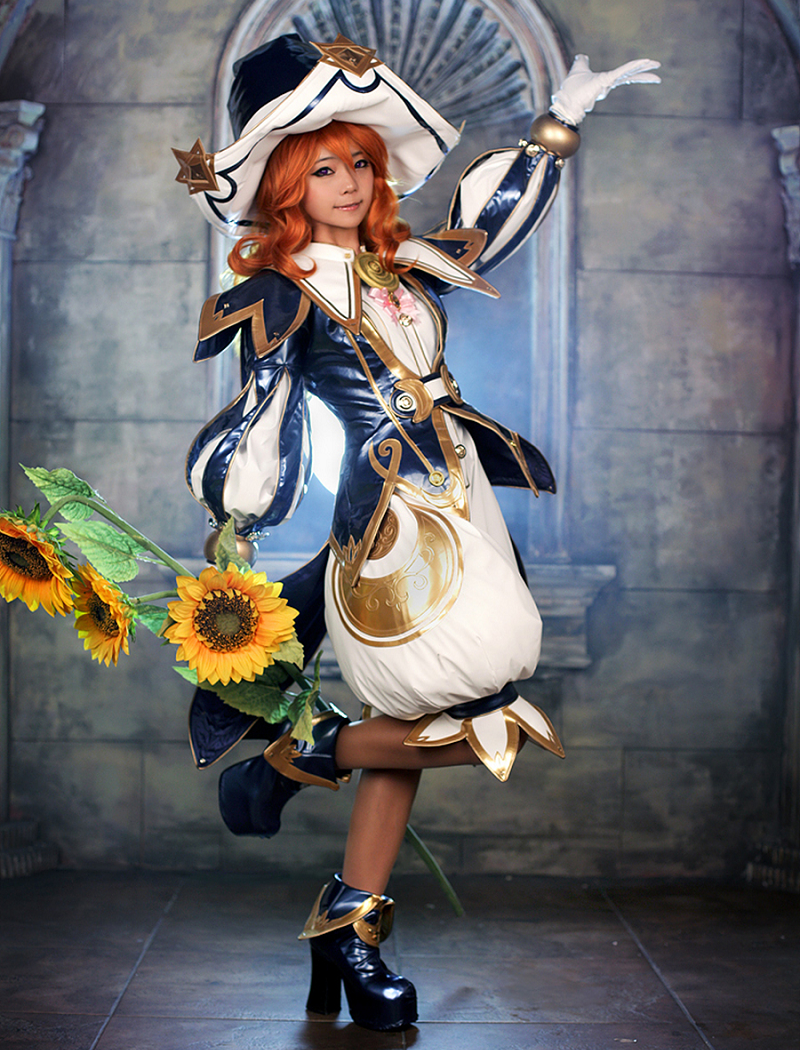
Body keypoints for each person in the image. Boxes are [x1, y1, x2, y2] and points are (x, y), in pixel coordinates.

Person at [173, 34, 659, 1032]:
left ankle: (343, 919)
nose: (350, 182)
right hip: (388, 523)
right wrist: (237, 520)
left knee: (421, 729)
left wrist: (559, 123)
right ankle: (307, 759)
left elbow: (489, 222)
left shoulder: (402, 263)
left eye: (359, 162)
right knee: (476, 714)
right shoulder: (281, 289)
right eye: (323, 169)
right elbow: (260, 415)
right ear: (283, 184)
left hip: (460, 497)